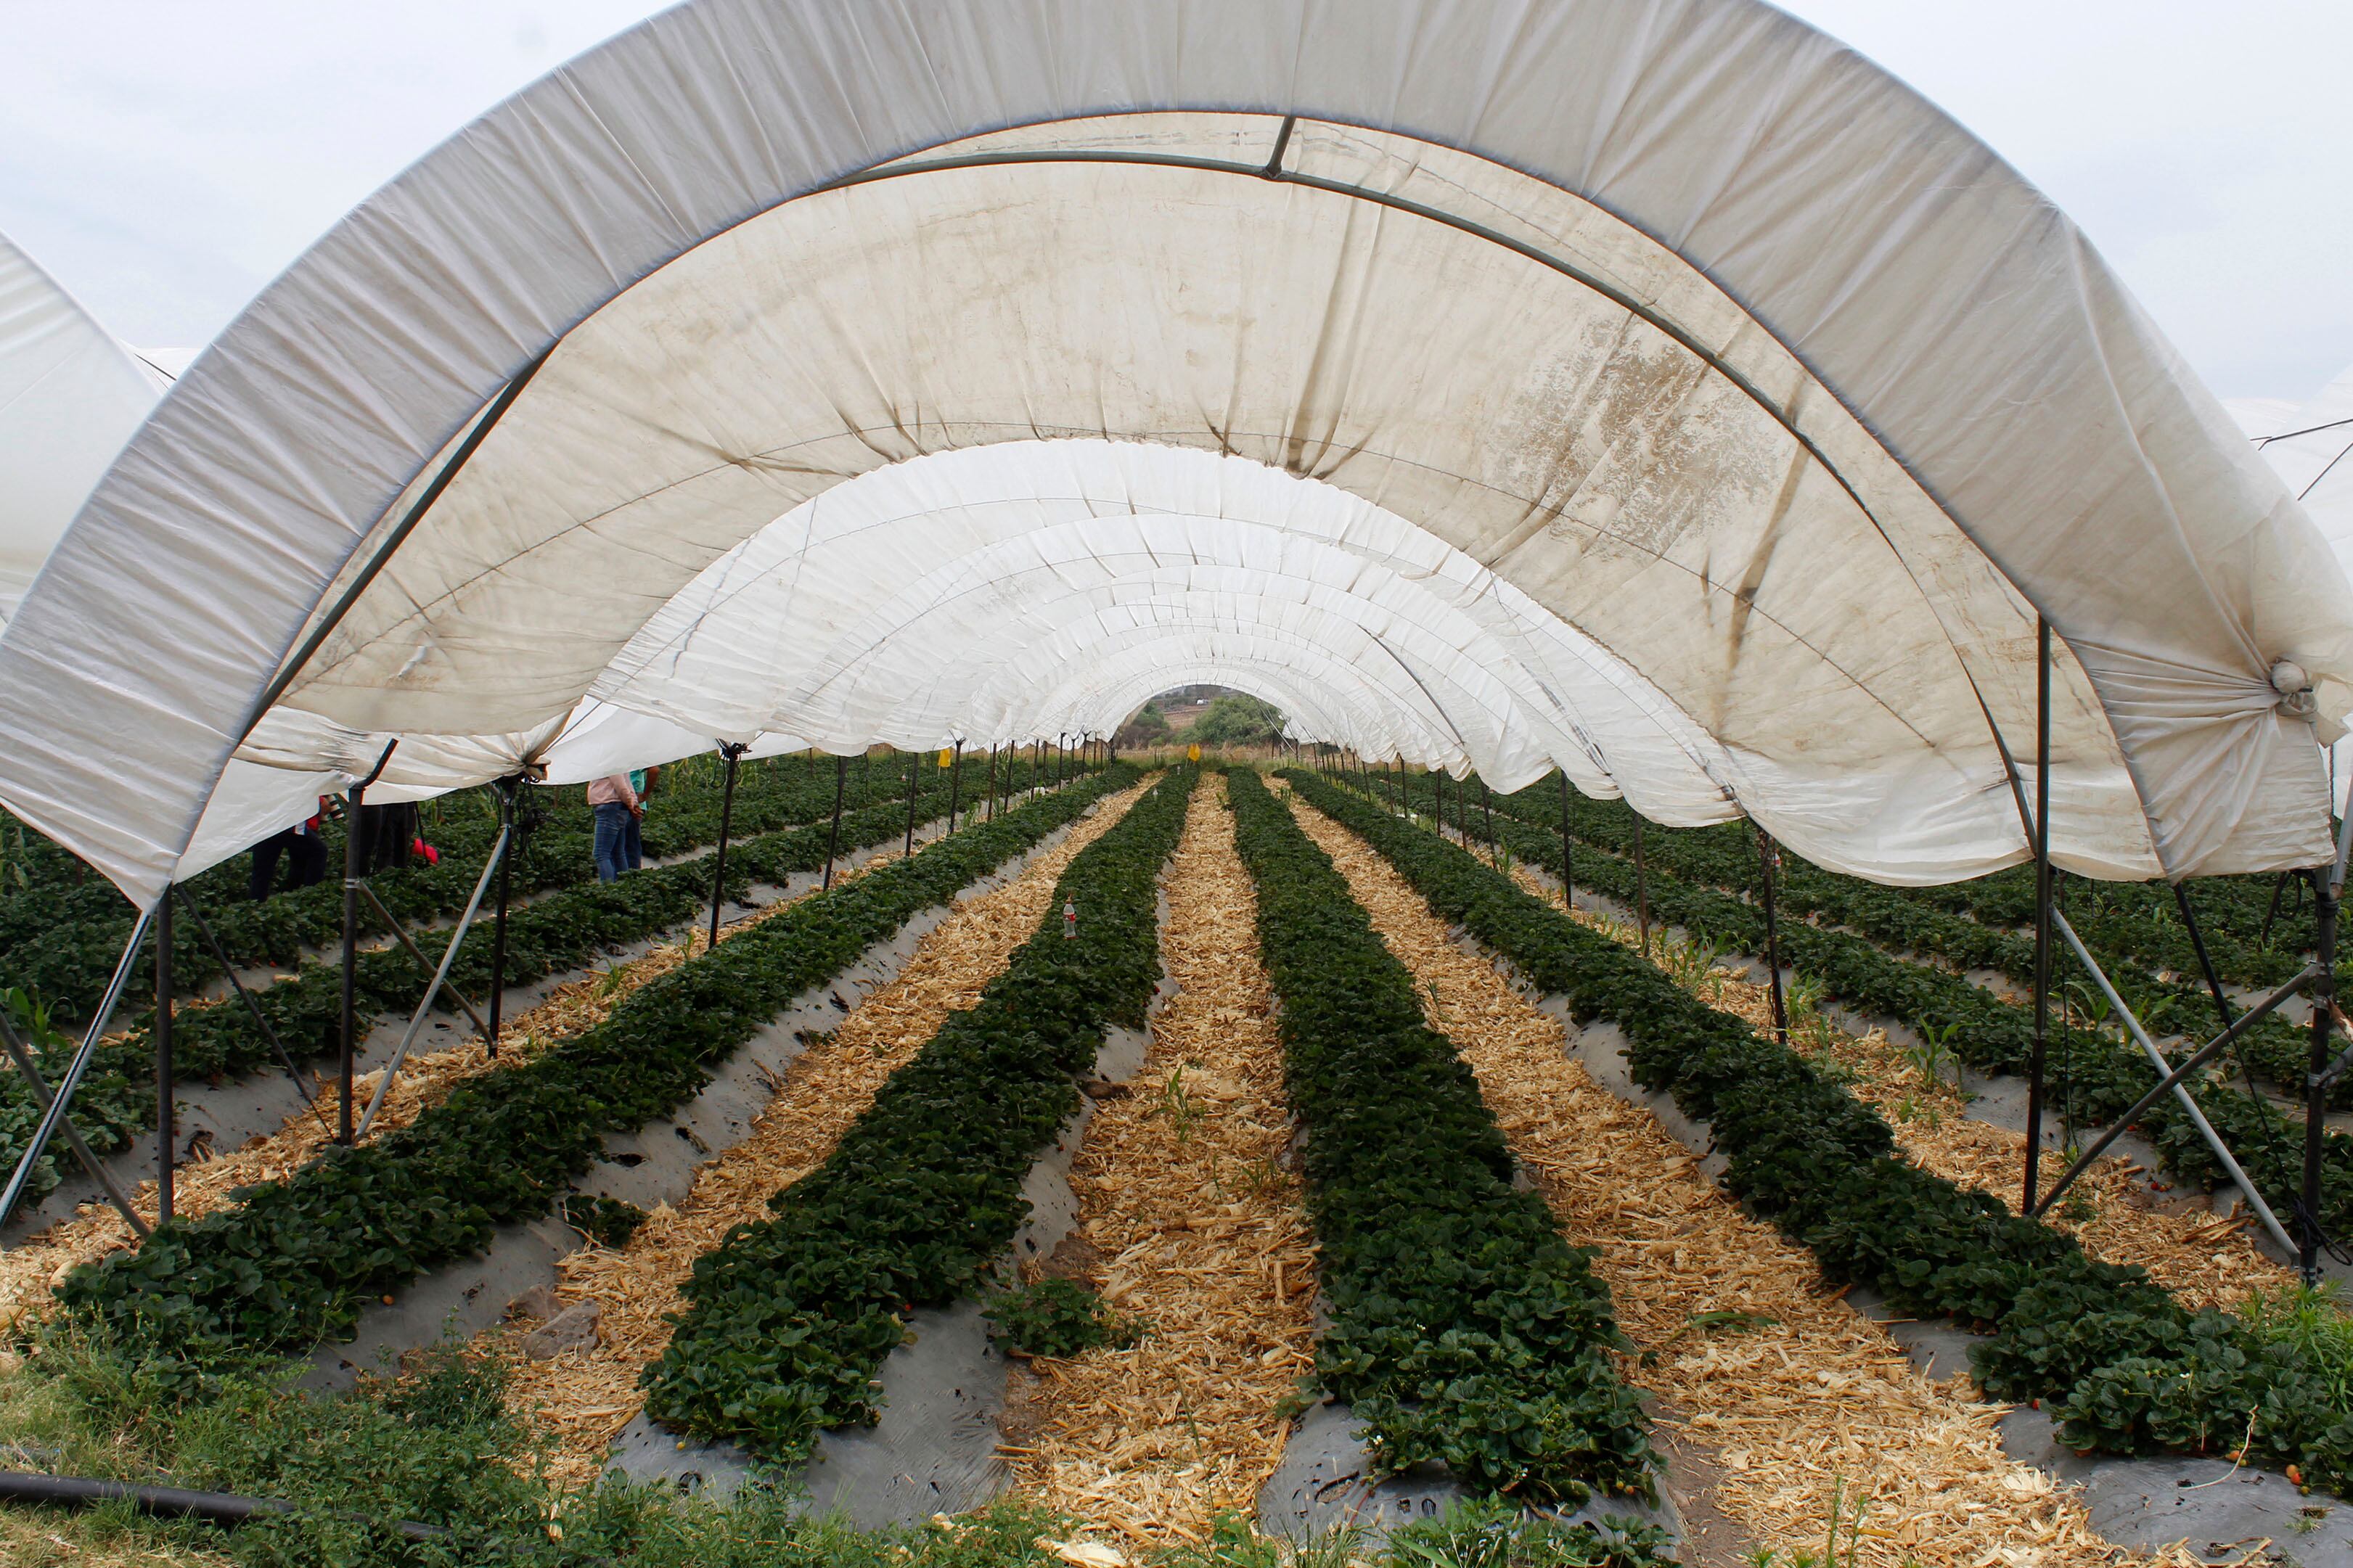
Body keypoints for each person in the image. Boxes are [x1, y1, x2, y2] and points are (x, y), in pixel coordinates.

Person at [588, 773, 640, 882]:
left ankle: (609, 889)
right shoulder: (619, 764)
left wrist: (630, 803)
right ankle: (623, 885)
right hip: (616, 807)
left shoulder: (611, 765)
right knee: (618, 852)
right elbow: (627, 784)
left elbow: (620, 784)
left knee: (601, 854)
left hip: (609, 808)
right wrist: (633, 802)